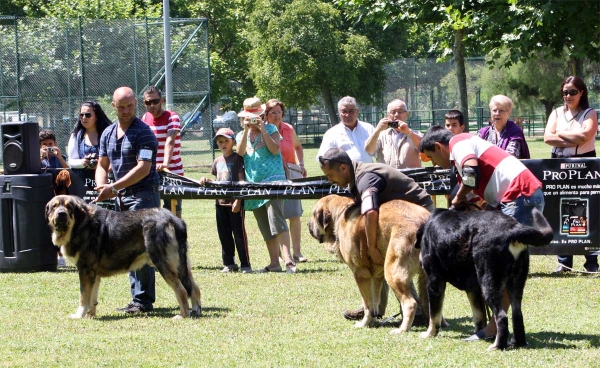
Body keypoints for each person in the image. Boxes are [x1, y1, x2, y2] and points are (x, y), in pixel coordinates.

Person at [420, 125, 544, 341]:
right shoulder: (464, 146)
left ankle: (494, 330)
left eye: (431, 156)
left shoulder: (458, 143)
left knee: (502, 269)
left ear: (439, 147)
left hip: (518, 195)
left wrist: (458, 198)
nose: (433, 163)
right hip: (518, 196)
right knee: (504, 268)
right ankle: (501, 329)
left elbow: (471, 173)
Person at [319, 148, 435, 321]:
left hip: (417, 217)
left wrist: (372, 246)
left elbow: (371, 211)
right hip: (407, 218)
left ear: (343, 168)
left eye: (330, 175)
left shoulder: (365, 178)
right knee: (385, 260)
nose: (330, 181)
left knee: (391, 260)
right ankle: (375, 308)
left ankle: (412, 310)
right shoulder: (356, 176)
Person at [94, 86, 160, 314]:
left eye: (130, 106)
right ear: (113, 106)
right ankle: (138, 299)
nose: (125, 111)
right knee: (129, 246)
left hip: (144, 194)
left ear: (136, 104)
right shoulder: (107, 133)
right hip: (122, 197)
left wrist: (113, 187)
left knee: (144, 246)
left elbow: (144, 169)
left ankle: (143, 301)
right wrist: (102, 184)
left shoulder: (144, 133)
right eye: (121, 107)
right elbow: (102, 164)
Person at [544, 76, 599, 274]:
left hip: (585, 167)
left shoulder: (589, 113)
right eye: (565, 92)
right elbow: (547, 138)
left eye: (573, 92)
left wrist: (560, 135)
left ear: (581, 92)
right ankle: (564, 261)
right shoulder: (557, 112)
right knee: (562, 209)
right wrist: (571, 140)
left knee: (586, 209)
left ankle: (591, 261)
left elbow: (586, 136)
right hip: (559, 166)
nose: (568, 95)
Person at [236, 97, 296, 274]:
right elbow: (240, 153)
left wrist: (263, 129)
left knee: (277, 221)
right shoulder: (241, 135)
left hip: (273, 181)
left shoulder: (271, 128)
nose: (253, 119)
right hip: (253, 183)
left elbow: (275, 149)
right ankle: (274, 263)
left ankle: (289, 261)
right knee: (264, 225)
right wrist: (247, 131)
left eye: (256, 116)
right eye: (249, 116)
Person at [199, 128, 252, 273]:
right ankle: (229, 263)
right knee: (224, 234)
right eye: (220, 141)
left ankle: (245, 264)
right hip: (220, 203)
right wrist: (207, 180)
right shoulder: (217, 161)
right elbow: (218, 181)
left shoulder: (237, 159)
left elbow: (242, 182)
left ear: (233, 142)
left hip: (234, 203)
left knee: (239, 234)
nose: (223, 144)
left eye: (226, 141)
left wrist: (238, 200)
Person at [264, 99, 307, 263]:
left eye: (279, 112)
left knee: (294, 213)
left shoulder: (288, 129)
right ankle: (281, 254)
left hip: (291, 172)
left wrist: (301, 164)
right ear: (266, 115)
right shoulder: (265, 130)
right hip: (273, 175)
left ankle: (297, 252)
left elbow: (298, 146)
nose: (277, 115)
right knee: (277, 215)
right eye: (273, 112)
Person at [141, 86, 184, 218]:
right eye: (148, 102)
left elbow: (170, 141)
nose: (152, 105)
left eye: (155, 101)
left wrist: (164, 163)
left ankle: (176, 238)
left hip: (172, 173)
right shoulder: (145, 118)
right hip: (151, 173)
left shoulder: (172, 117)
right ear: (144, 103)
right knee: (152, 214)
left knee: (173, 214)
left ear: (162, 100)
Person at [364, 99, 422, 168]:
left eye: (400, 112)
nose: (397, 115)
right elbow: (369, 150)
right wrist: (377, 130)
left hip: (410, 178)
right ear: (387, 115)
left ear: (407, 114)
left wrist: (409, 133)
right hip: (387, 177)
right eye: (393, 112)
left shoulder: (416, 134)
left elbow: (424, 148)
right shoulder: (381, 135)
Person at [317, 96, 375, 163]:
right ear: (339, 113)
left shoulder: (369, 129)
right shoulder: (331, 134)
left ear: (357, 112)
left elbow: (378, 152)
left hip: (368, 172)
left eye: (351, 111)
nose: (347, 115)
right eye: (344, 111)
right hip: (344, 173)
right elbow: (323, 159)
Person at [478, 95, 530, 159]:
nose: (497, 113)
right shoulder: (483, 133)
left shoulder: (515, 133)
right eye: (494, 110)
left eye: (501, 110)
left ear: (509, 113)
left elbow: (510, 157)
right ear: (490, 112)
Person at [67, 101, 112, 170]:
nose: (84, 118)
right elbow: (71, 161)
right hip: (83, 179)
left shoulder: (108, 134)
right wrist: (83, 162)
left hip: (106, 177)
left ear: (97, 117)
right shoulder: (76, 136)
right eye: (81, 115)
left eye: (88, 115)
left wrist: (100, 164)